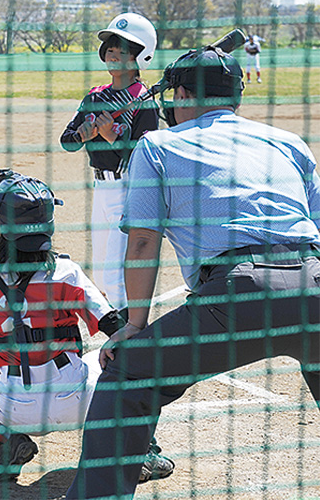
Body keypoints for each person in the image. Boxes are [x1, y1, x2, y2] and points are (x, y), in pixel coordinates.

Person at [64, 42, 320, 500]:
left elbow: (143, 241)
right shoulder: (288, 141)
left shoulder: (158, 143)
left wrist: (135, 326)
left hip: (238, 295)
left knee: (128, 375)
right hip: (316, 286)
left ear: (181, 95)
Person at [0, 169, 173, 480]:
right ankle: (138, 453)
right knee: (129, 357)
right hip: (78, 402)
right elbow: (117, 327)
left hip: (13, 408)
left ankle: (6, 441)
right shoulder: (66, 273)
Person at [60, 13, 159, 309]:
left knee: (115, 275)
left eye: (123, 51)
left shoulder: (145, 101)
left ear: (141, 57)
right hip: (101, 189)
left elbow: (147, 156)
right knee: (102, 275)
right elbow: (67, 141)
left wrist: (112, 136)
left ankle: (129, 339)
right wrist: (84, 134)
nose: (114, 56)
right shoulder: (95, 96)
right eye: (111, 50)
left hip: (128, 188)